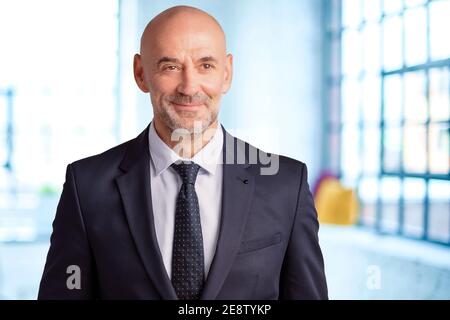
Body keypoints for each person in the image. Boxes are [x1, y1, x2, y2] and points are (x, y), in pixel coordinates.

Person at [38, 5, 327, 300]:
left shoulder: (285, 185)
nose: (189, 87)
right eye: (170, 66)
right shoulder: (86, 186)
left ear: (227, 73)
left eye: (206, 66)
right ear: (140, 73)